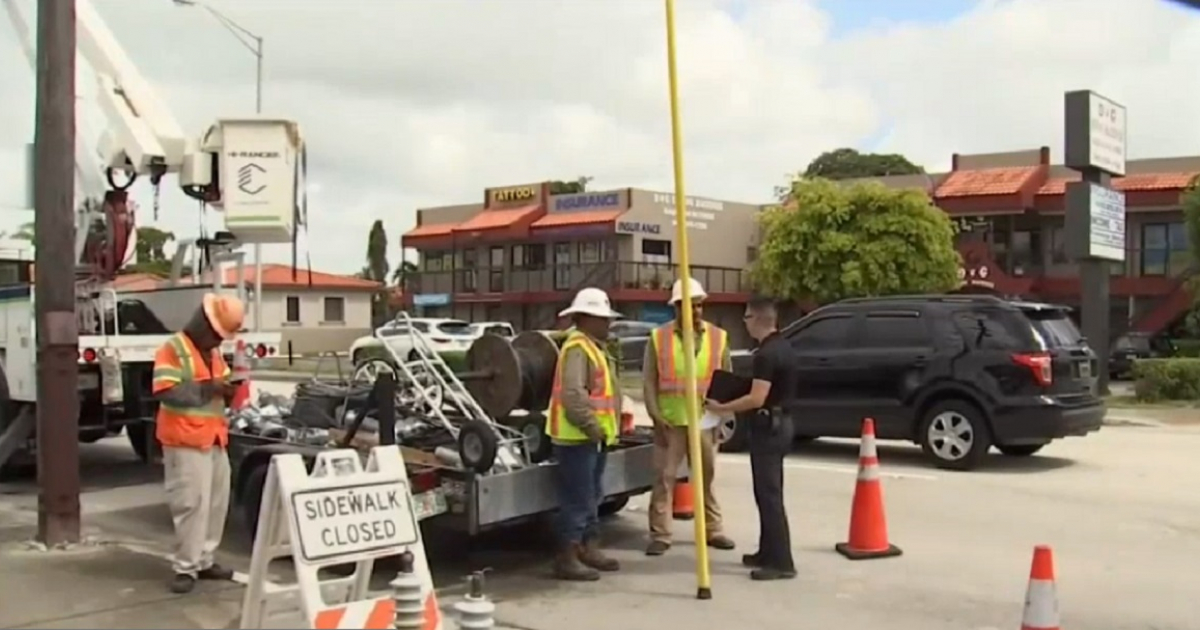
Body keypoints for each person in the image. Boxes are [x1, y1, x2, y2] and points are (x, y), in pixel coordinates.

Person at [151, 292, 246, 593]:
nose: (219, 342)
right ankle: (185, 566)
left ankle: (205, 560)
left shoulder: (213, 353)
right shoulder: (174, 349)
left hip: (214, 438)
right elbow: (166, 390)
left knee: (216, 504)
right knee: (190, 504)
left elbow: (221, 382)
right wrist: (210, 388)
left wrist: (229, 390)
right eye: (217, 335)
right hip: (184, 439)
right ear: (204, 326)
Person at [705, 296, 797, 580]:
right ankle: (767, 551)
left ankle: (781, 562)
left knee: (769, 495)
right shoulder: (783, 346)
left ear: (757, 319)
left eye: (746, 318)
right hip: (781, 423)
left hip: (769, 426)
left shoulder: (766, 354)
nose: (744, 323)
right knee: (767, 492)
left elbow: (757, 398)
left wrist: (723, 407)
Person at [643, 277, 735, 556]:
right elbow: (649, 382)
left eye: (699, 306)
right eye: (690, 306)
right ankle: (661, 533)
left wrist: (724, 419)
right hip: (671, 421)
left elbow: (727, 381)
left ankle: (713, 529)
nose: (696, 312)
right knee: (664, 479)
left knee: (706, 477)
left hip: (705, 420)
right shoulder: (659, 338)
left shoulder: (718, 337)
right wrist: (656, 417)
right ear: (676, 308)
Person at [546, 287, 624, 581]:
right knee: (578, 499)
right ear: (586, 318)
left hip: (592, 438)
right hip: (578, 438)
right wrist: (593, 428)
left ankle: (588, 547)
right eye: (602, 318)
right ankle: (567, 556)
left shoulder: (591, 346)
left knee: (591, 496)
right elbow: (573, 395)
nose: (608, 324)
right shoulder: (578, 347)